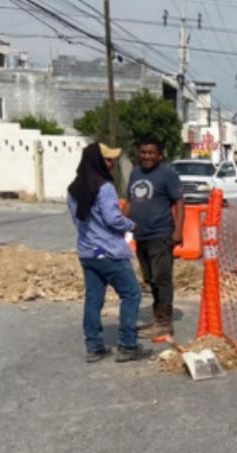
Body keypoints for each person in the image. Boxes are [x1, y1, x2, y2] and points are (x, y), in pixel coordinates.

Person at [67, 143, 149, 363]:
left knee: (94, 300)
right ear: (97, 161)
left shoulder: (73, 189)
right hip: (110, 252)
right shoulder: (104, 188)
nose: (112, 164)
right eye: (108, 160)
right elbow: (113, 218)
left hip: (88, 253)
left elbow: (77, 220)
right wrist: (132, 226)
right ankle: (127, 345)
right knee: (132, 294)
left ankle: (94, 347)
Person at [125, 136, 184, 338]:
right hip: (140, 236)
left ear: (160, 154)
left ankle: (164, 323)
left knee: (162, 278)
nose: (147, 156)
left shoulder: (167, 174)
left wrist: (178, 231)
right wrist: (119, 223)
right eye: (143, 152)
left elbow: (179, 202)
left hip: (160, 234)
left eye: (151, 153)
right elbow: (130, 202)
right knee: (150, 278)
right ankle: (157, 318)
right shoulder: (135, 173)